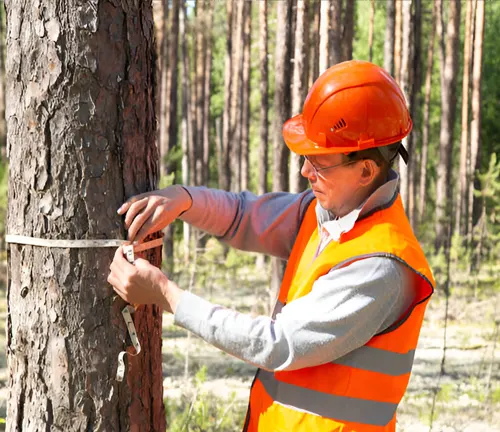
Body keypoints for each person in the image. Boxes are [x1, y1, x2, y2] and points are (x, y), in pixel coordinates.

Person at [108, 60, 435, 432]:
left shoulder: (380, 266)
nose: (305, 171)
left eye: (319, 162)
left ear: (365, 171)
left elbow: (277, 344)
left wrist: (166, 295)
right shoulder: (323, 214)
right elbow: (245, 216)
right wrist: (185, 200)